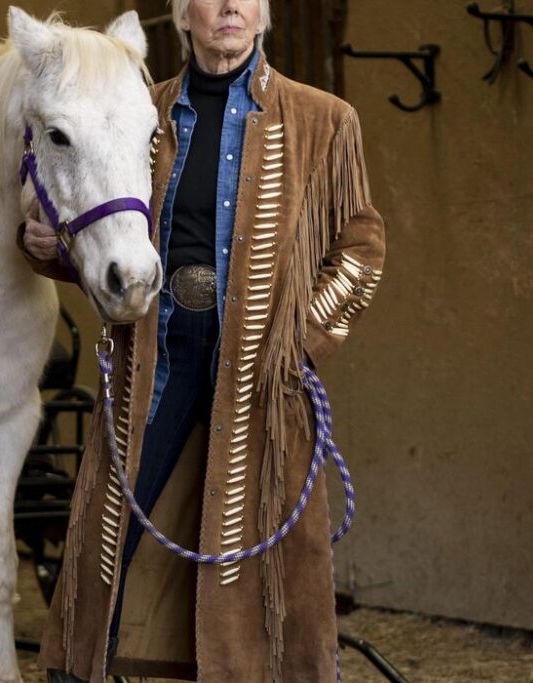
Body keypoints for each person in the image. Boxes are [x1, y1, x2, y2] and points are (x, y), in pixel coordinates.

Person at [21, 1, 386, 681]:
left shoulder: (325, 120)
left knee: (262, 544)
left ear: (264, 15)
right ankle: (77, 668)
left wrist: (301, 343)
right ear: (182, 16)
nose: (229, 7)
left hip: (258, 368)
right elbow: (103, 224)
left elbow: (361, 249)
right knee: (111, 526)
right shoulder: (137, 109)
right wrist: (49, 246)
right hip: (155, 353)